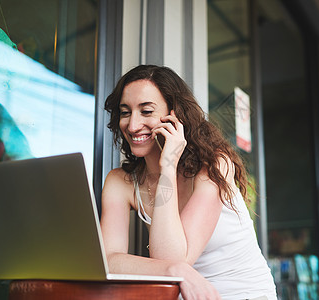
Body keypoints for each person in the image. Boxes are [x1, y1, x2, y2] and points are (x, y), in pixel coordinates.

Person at [101, 64, 277, 300]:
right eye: (125, 112)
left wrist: (168, 165)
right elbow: (108, 259)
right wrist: (176, 269)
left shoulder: (214, 165)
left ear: (175, 116)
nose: (132, 125)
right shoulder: (119, 182)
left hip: (245, 293)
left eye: (146, 111)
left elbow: (174, 259)